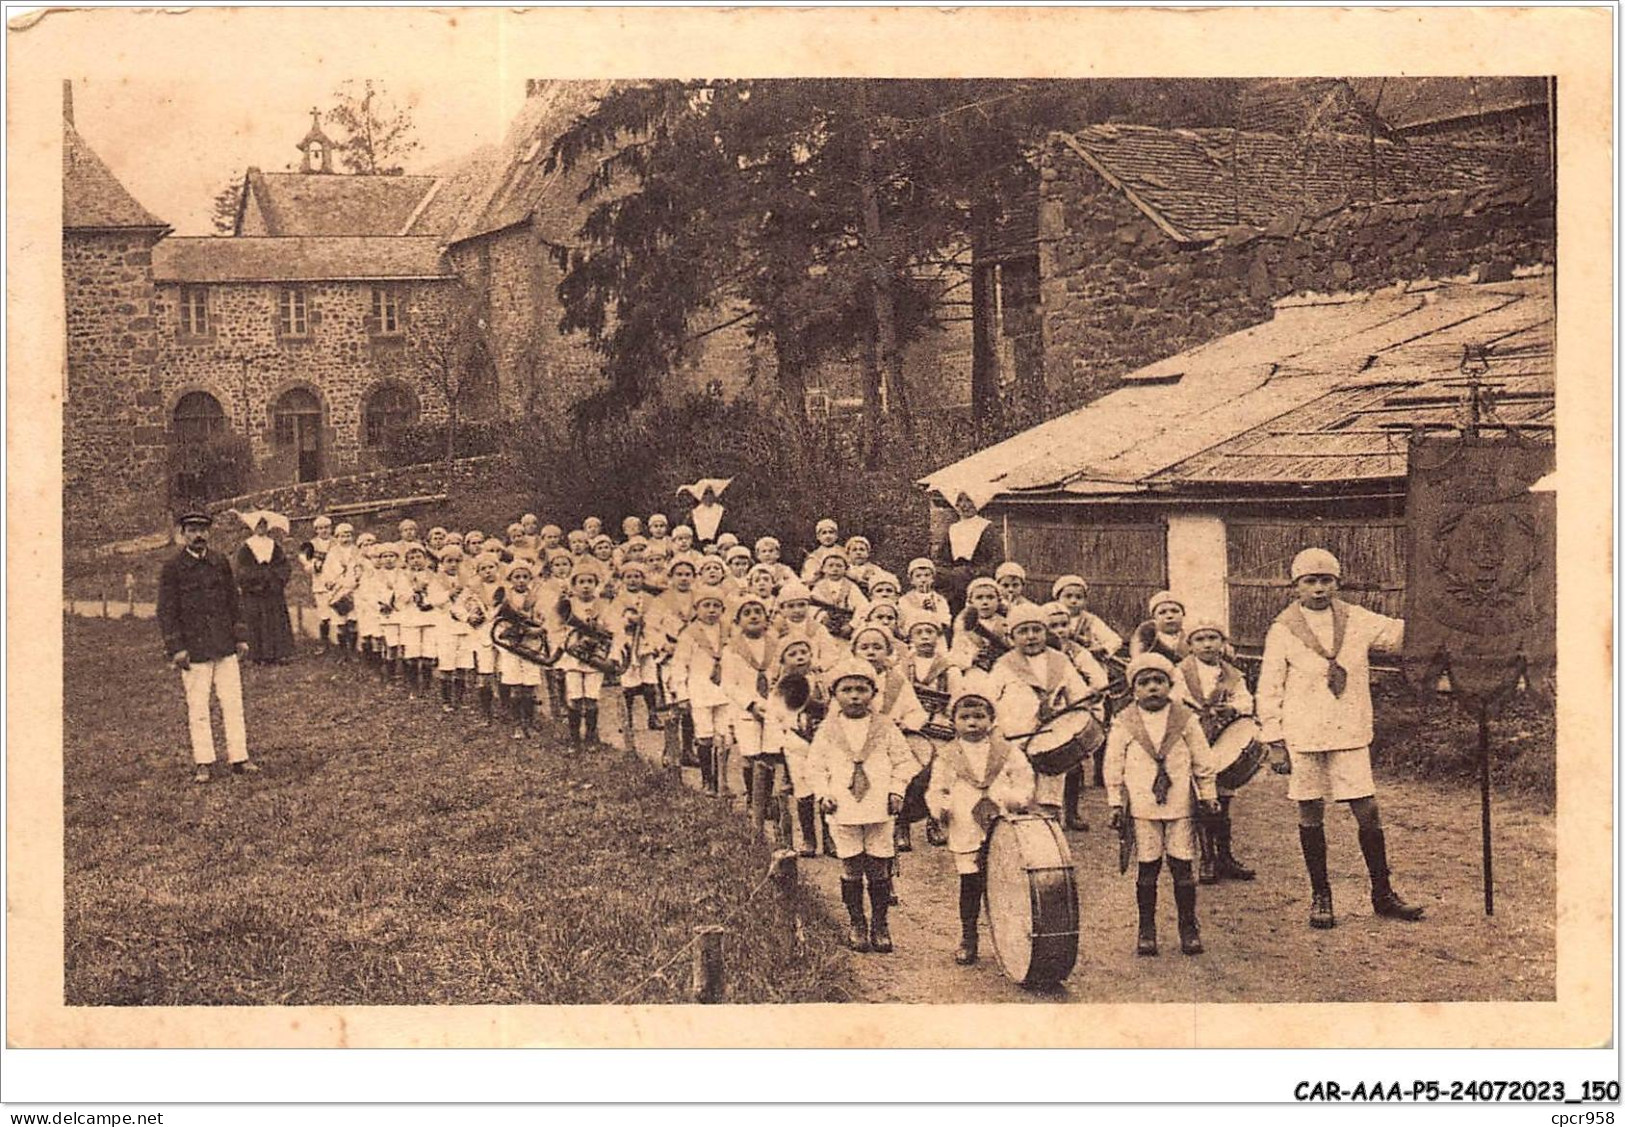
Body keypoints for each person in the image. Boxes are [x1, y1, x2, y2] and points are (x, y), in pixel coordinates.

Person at [1258, 548, 1424, 930]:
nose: (1319, 589)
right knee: (1310, 810)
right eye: (1310, 582)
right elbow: (1269, 688)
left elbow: (1401, 635)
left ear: (1338, 582)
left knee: (1367, 809)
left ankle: (1383, 893)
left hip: (1348, 730)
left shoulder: (1357, 619)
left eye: (1326, 581)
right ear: (1295, 585)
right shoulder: (1282, 629)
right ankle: (1322, 895)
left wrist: (1435, 611)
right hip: (1304, 734)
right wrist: (1274, 739)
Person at [1104, 653, 1218, 956]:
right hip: (1143, 809)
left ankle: (1188, 927)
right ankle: (1147, 929)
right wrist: (1115, 801)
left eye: (1159, 681)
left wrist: (1208, 794)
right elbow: (1113, 764)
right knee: (1148, 868)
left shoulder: (1185, 719)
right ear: (1133, 689)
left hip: (1180, 805)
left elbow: (1203, 760)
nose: (1152, 688)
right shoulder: (1124, 721)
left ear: (1170, 684)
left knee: (1182, 867)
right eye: (1144, 683)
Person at [809, 657, 917, 953]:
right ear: (835, 694)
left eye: (861, 689)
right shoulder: (828, 730)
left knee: (879, 867)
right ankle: (856, 922)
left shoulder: (884, 727)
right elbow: (816, 767)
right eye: (847, 689)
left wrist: (896, 790)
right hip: (843, 808)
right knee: (851, 865)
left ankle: (880, 923)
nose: (855, 696)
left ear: (873, 693)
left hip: (878, 807)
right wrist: (823, 794)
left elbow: (905, 762)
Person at [926, 690, 1036, 965]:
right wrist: (940, 806)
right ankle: (969, 936)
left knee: (1007, 881)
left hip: (1002, 822)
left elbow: (1024, 780)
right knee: (971, 882)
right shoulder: (947, 756)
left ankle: (1012, 939)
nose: (972, 723)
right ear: (953, 722)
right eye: (965, 717)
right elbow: (937, 788)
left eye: (979, 716)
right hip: (965, 824)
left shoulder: (1007, 752)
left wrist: (1017, 799)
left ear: (992, 720)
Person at [156, 511, 258, 784]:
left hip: (224, 645)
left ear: (209, 533)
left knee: (233, 702)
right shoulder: (173, 568)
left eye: (203, 530)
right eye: (192, 530)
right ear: (183, 533)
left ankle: (239, 757)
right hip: (194, 650)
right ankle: (204, 761)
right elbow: (166, 611)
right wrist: (176, 648)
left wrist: (240, 636)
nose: (198, 535)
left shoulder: (219, 562)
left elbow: (233, 601)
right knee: (198, 706)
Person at [991, 603, 1094, 829]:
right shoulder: (1004, 665)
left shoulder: (1060, 661)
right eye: (1023, 631)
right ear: (1011, 637)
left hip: (1052, 739)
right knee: (1019, 793)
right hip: (1016, 738)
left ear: (1046, 632)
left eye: (1036, 630)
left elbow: (1078, 696)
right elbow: (990, 702)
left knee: (1050, 793)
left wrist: (1085, 703)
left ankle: (1050, 835)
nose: (1031, 637)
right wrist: (997, 731)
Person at [1174, 615, 1256, 884]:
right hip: (1192, 740)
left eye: (1213, 638)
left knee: (1224, 797)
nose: (1207, 644)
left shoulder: (1231, 674)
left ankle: (1225, 855)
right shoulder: (1181, 672)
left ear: (1222, 642)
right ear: (1190, 644)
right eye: (1200, 639)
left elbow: (1246, 701)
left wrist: (1232, 708)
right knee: (1201, 796)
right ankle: (1207, 858)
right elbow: (1173, 702)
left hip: (1221, 739)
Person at [671, 585, 731, 795]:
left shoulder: (728, 631)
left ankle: (723, 780)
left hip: (725, 692)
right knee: (705, 735)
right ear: (697, 608)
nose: (711, 610)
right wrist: (681, 694)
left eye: (716, 606)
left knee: (724, 735)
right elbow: (679, 664)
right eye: (706, 605)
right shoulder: (690, 634)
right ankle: (708, 781)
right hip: (700, 690)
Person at [233, 510, 295, 664]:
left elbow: (284, 566)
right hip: (255, 592)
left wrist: (274, 578)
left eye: (264, 525)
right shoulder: (246, 547)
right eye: (258, 525)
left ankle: (278, 654)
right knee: (256, 620)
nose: (261, 528)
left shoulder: (274, 545)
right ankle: (258, 655)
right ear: (253, 527)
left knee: (275, 620)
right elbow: (241, 569)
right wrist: (258, 578)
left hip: (272, 591)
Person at [935, 488, 1000, 613]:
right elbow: (942, 558)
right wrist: (950, 573)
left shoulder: (986, 527)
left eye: (968, 500)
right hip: (953, 582)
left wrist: (971, 573)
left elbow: (996, 560)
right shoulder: (953, 528)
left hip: (977, 580)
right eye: (960, 500)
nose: (963, 505)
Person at [1130, 590, 1188, 664]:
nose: (1169, 616)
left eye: (1175, 611)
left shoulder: (1190, 639)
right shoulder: (1146, 641)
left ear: (1183, 614)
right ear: (1154, 617)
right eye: (1162, 612)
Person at [800, 518, 843, 583]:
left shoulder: (844, 552)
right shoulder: (814, 557)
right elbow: (808, 578)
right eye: (824, 533)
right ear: (818, 537)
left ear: (836, 536)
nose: (828, 536)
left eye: (831, 532)